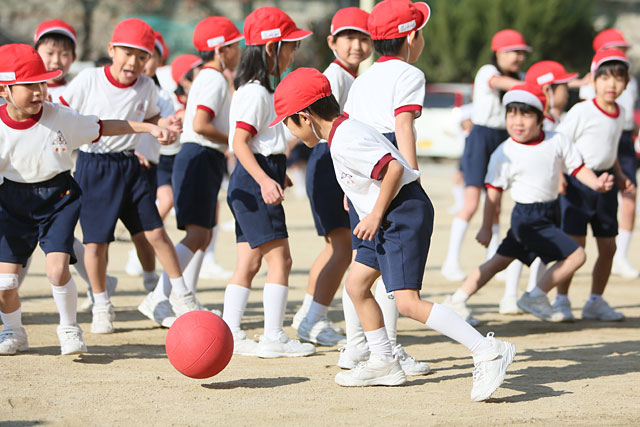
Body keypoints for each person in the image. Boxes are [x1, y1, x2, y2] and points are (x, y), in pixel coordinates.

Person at [274, 67, 515, 400]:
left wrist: (374, 213)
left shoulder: (345, 137)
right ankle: (384, 361)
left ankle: (488, 351)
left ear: (305, 117)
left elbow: (393, 168)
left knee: (408, 303)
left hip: (400, 214)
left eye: (287, 123)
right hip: (383, 215)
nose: (289, 131)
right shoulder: (342, 131)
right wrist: (356, 196)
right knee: (356, 285)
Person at [0, 44, 175, 355]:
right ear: (4, 89)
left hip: (58, 200)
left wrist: (148, 127)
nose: (39, 92)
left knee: (56, 270)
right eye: (29, 85)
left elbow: (104, 126)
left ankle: (69, 328)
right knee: (5, 284)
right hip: (13, 203)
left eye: (42, 83)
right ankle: (14, 331)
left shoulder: (60, 117)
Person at [443, 83, 614, 323]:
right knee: (577, 256)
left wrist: (596, 184)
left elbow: (577, 168)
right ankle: (535, 296)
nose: (518, 122)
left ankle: (456, 301)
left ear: (541, 119)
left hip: (549, 212)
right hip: (527, 218)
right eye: (512, 114)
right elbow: (493, 193)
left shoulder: (557, 140)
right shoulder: (503, 152)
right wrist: (485, 227)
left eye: (526, 115)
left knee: (498, 262)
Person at [60, 18, 189, 333]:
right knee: (96, 244)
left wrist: (166, 126)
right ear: (111, 50)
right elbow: (61, 112)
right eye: (127, 53)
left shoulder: (146, 86)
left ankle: (180, 296)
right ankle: (101, 304)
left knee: (155, 233)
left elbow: (154, 117)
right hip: (93, 166)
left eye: (142, 56)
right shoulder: (89, 79)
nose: (133, 62)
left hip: (131, 166)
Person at [339, 0, 431, 375]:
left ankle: (358, 347)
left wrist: (350, 185)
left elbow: (350, 133)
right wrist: (412, 173)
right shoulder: (409, 74)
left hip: (363, 165)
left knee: (363, 264)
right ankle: (388, 347)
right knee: (391, 266)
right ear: (411, 37)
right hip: (391, 162)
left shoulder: (362, 79)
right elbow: (403, 125)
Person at [221, 7, 315, 358]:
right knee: (282, 260)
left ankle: (231, 332)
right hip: (252, 181)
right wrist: (263, 179)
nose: (293, 54)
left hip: (255, 177)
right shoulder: (256, 92)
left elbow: (260, 143)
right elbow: (240, 143)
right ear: (272, 48)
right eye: (290, 46)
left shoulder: (259, 90)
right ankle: (274, 336)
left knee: (248, 263)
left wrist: (277, 174)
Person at [140, 17, 243, 326]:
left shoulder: (211, 77)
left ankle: (171, 295)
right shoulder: (213, 78)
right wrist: (235, 140)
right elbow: (199, 124)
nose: (238, 50)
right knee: (198, 233)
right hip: (199, 155)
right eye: (234, 45)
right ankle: (160, 296)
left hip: (204, 157)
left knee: (203, 233)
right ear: (221, 50)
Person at [292, 6, 372, 347]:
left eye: (363, 38)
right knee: (342, 248)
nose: (356, 45)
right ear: (332, 42)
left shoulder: (351, 76)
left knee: (334, 247)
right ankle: (313, 319)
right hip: (329, 164)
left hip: (333, 163)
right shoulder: (334, 76)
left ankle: (309, 315)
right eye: (348, 37)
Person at [442, 29, 528, 282]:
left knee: (496, 204)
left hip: (504, 139)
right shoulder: (488, 71)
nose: (518, 57)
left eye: (521, 53)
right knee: (470, 203)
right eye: (513, 52)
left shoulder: (521, 77)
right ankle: (451, 262)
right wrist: (532, 84)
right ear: (498, 53)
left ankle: (494, 260)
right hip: (482, 137)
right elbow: (498, 83)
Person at [554, 49, 633, 321]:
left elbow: (610, 150)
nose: (612, 84)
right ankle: (561, 299)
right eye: (606, 78)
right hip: (578, 184)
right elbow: (560, 144)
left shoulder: (621, 112)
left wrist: (620, 175)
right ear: (593, 80)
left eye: (619, 79)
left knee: (609, 247)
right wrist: (559, 175)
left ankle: (595, 301)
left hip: (606, 185)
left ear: (627, 83)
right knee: (575, 247)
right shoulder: (581, 110)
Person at [500, 61, 578, 316]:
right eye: (563, 86)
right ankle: (511, 295)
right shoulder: (542, 121)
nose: (567, 91)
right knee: (519, 249)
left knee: (540, 251)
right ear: (547, 90)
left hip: (548, 197)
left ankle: (533, 293)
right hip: (534, 200)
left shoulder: (553, 119)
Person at [578, 29, 639, 279]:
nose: (621, 51)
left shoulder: (629, 80)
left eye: (622, 47)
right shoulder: (593, 81)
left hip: (623, 140)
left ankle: (620, 256)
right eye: (615, 47)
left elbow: (627, 113)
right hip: (597, 143)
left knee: (630, 194)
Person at [127, 30, 176, 293]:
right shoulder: (119, 90)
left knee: (147, 231)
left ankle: (151, 282)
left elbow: (168, 127)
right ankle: (97, 291)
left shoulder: (161, 95)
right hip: (113, 165)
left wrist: (171, 128)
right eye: (136, 55)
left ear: (159, 59)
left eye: (148, 56)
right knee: (97, 239)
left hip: (149, 168)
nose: (142, 62)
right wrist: (125, 151)